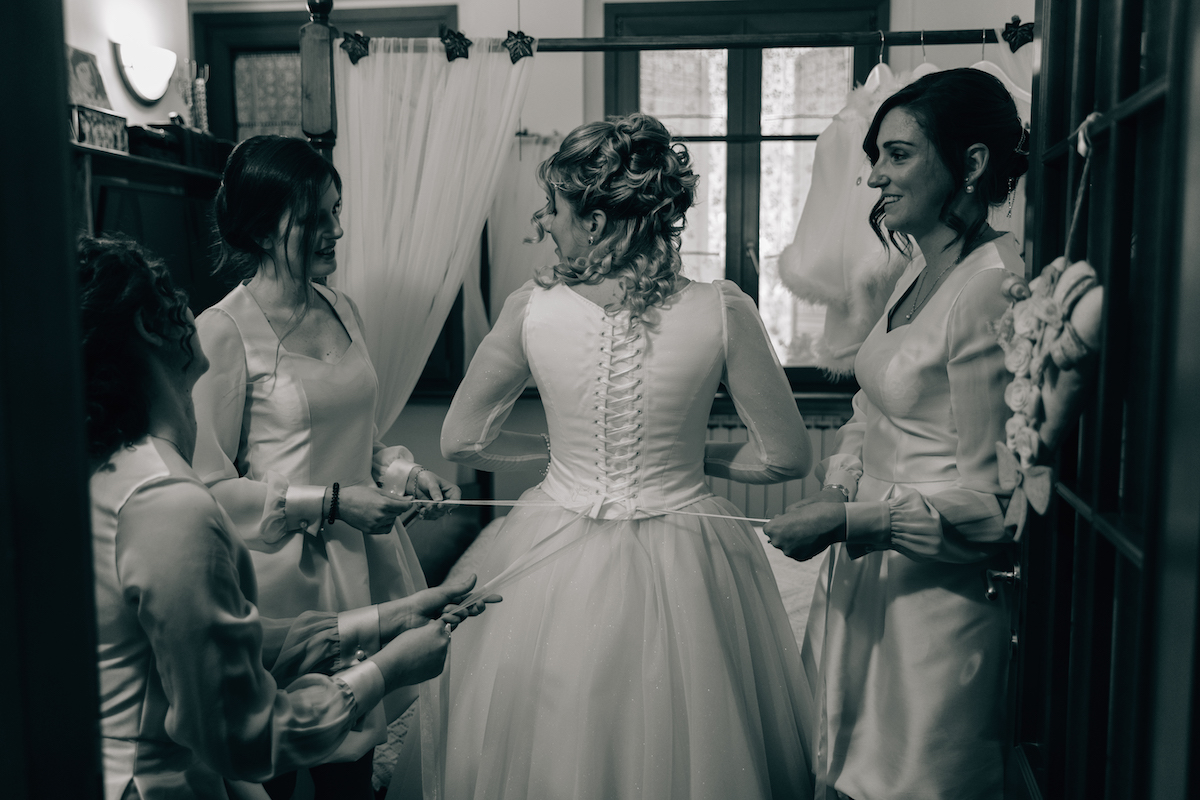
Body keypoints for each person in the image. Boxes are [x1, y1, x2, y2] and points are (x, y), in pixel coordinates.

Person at [439, 112, 816, 800]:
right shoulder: (722, 308)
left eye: (551, 205)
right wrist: (696, 462)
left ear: (594, 219)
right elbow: (788, 458)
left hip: (551, 540)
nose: (542, 221)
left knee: (542, 729)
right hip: (689, 547)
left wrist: (560, 459)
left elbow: (461, 441)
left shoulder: (528, 309)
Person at [83, 236, 494, 800]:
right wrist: (386, 670)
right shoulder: (170, 504)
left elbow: (228, 647)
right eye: (166, 292)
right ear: (151, 331)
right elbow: (244, 735)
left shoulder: (120, 467)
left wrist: (386, 619)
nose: (189, 302)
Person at [762, 68, 1030, 800]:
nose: (873, 175)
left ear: (972, 164)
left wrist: (852, 520)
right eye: (876, 154)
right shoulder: (918, 270)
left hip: (937, 597)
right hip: (864, 576)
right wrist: (841, 483)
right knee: (841, 762)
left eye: (898, 155)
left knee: (912, 779)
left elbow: (995, 503)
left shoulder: (990, 287)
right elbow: (873, 410)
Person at [191, 135, 462, 799]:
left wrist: (403, 475)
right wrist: (332, 502)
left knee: (352, 762)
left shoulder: (344, 309)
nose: (336, 230)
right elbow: (208, 488)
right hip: (280, 581)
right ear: (262, 225)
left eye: (337, 212)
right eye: (316, 218)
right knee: (277, 761)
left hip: (363, 564)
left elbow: (365, 438)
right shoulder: (222, 331)